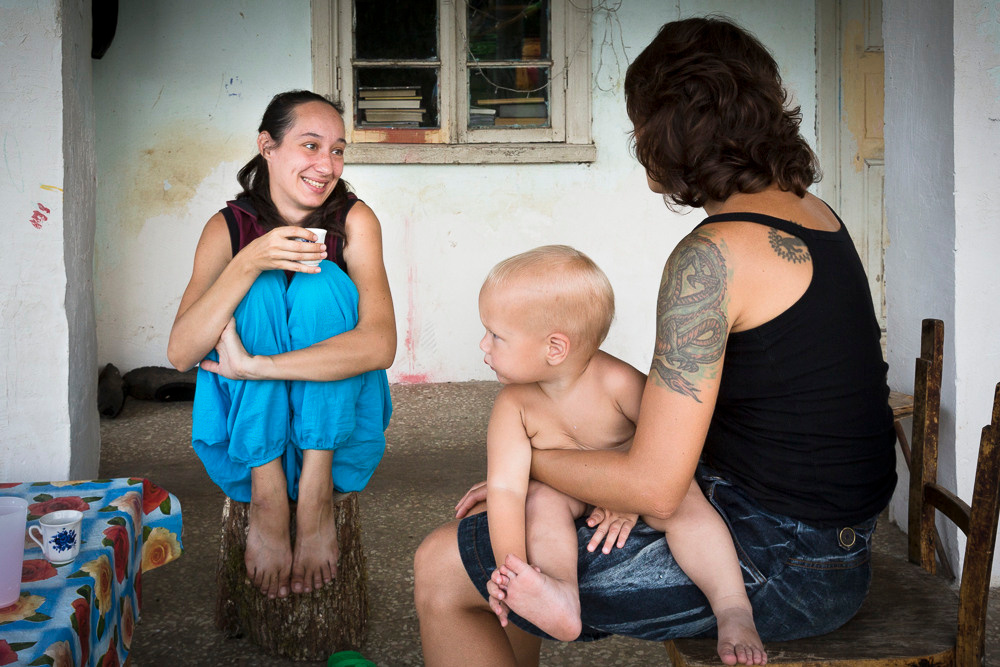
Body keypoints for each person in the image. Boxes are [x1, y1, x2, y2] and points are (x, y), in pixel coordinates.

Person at [414, 15, 896, 667]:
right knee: (519, 533)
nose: (638, 140)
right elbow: (674, 455)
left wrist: (525, 465)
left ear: (669, 133)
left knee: (443, 565)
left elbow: (654, 486)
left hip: (785, 560)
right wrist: (576, 483)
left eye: (641, 123)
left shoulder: (714, 256)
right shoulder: (813, 213)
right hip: (825, 537)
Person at [476, 245, 765, 663]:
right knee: (540, 501)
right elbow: (505, 488)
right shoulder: (512, 406)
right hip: (570, 490)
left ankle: (733, 606)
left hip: (636, 483)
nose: (482, 344)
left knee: (685, 504)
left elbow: (671, 443)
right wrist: (510, 570)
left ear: (554, 348)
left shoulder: (617, 382)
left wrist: (630, 497)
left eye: (496, 335)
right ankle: (558, 592)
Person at [167, 90, 396, 600]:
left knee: (321, 283)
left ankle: (313, 500)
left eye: (337, 149)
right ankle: (270, 500)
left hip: (338, 443)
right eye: (310, 145)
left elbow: (381, 345)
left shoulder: (355, 220)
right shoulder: (227, 227)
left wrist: (258, 367)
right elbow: (182, 352)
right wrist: (249, 260)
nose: (327, 164)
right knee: (259, 286)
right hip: (245, 448)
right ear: (267, 146)